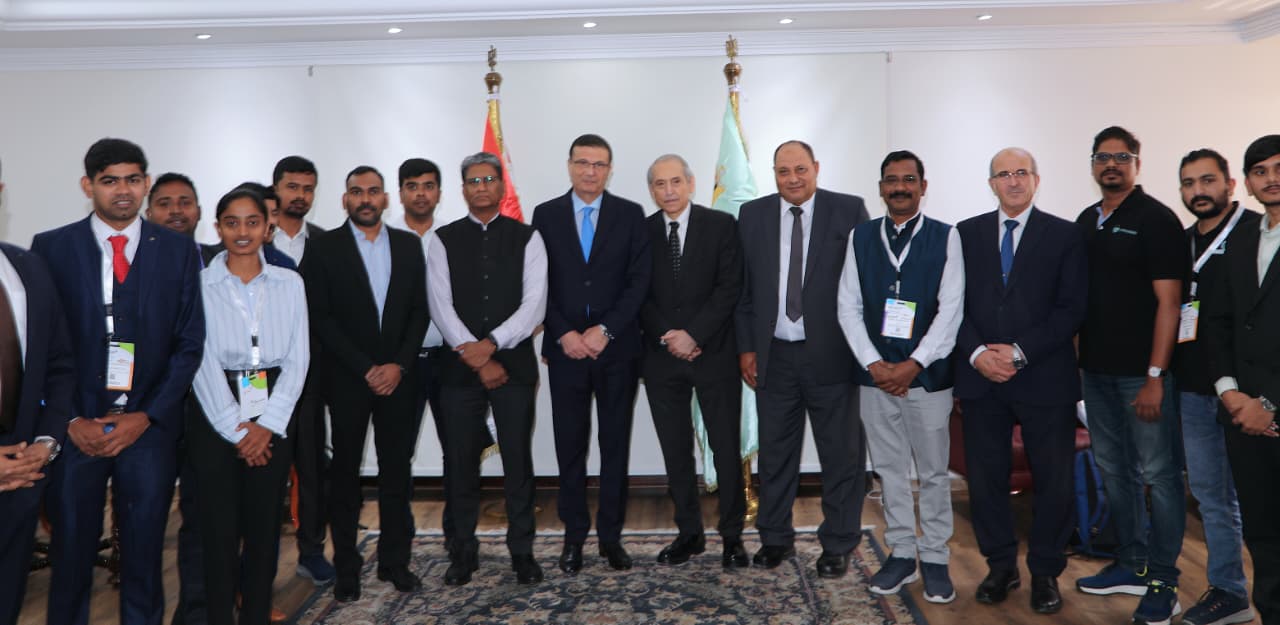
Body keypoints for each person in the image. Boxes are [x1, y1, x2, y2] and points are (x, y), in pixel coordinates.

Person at [33, 138, 205, 625]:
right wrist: (68, 419)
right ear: (88, 185)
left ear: (146, 184)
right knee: (70, 556)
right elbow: (41, 343)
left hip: (147, 430)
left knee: (144, 556)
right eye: (110, 181)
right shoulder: (52, 248)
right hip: (77, 430)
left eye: (132, 179)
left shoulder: (177, 249)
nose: (123, 190)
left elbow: (189, 343)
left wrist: (146, 415)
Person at [954, 148, 1087, 615]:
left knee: (1054, 481)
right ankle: (1000, 566)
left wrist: (1018, 352)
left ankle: (1046, 571)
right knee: (985, 480)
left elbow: (1072, 308)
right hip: (981, 379)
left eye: (1021, 173)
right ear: (991, 183)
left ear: (1036, 179)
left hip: (1044, 377)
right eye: (1003, 174)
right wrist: (977, 354)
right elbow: (951, 304)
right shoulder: (965, 234)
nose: (1013, 181)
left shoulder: (1065, 235)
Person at [736, 140, 870, 578]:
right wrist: (747, 348)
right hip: (773, 356)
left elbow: (864, 282)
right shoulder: (752, 215)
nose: (792, 179)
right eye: (783, 171)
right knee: (775, 455)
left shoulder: (848, 210)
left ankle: (839, 542)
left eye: (800, 169)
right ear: (773, 174)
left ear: (816, 167)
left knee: (841, 455)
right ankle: (775, 538)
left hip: (831, 355)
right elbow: (743, 289)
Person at [1073, 126, 1189, 625]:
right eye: (1103, 157)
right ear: (1092, 164)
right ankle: (1131, 563)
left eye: (1122, 157)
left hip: (1141, 378)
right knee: (1114, 470)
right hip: (1095, 375)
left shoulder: (1156, 220)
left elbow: (1170, 303)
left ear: (1137, 164)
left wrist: (1155, 375)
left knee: (1160, 476)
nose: (1111, 165)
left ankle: (1163, 580)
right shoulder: (1087, 221)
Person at [837, 150, 962, 600]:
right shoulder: (860, 237)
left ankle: (936, 557)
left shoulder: (946, 237)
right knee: (889, 470)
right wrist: (874, 364)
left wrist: (914, 364)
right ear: (881, 188)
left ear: (923, 186)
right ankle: (902, 554)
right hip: (875, 379)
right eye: (892, 180)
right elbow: (847, 305)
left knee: (933, 473)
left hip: (927, 378)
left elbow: (951, 310)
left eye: (909, 179)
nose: (900, 187)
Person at [301, 165, 428, 601]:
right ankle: (347, 568)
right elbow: (320, 316)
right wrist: (365, 368)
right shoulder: (323, 248)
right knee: (344, 475)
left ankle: (395, 562)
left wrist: (399, 366)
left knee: (397, 473)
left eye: (374, 191)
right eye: (357, 192)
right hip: (347, 380)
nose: (366, 199)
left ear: (386, 199)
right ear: (345, 199)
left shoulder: (408, 246)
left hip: (398, 380)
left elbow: (419, 311)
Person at [426, 152, 547, 586]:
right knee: (460, 464)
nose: (481, 187)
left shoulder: (528, 237)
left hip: (514, 369)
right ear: (463, 189)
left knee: (518, 462)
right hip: (459, 371)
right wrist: (476, 356)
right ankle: (462, 552)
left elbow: (534, 305)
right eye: (473, 181)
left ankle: (522, 552)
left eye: (489, 179)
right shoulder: (442, 240)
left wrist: (491, 345)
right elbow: (440, 305)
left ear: (501, 186)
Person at [189, 188, 310, 625]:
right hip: (214, 406)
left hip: (272, 403)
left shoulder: (289, 282)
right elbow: (199, 359)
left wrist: (268, 425)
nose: (243, 232)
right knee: (218, 530)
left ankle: (256, 613)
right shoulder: (199, 284)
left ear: (267, 227)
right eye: (232, 223)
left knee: (264, 528)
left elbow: (298, 358)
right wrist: (237, 428)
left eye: (252, 222)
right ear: (217, 228)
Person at [532, 133, 651, 574]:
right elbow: (537, 282)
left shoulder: (630, 214)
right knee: (570, 447)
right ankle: (573, 538)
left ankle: (610, 538)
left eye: (599, 164)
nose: (590, 171)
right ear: (569, 166)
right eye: (582, 163)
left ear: (610, 170)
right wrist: (563, 332)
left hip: (616, 350)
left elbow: (639, 282)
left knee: (614, 445)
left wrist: (605, 330)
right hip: (565, 351)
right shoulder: (545, 215)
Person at [638, 154, 747, 568]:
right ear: (652, 190)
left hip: (713, 354)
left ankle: (732, 536)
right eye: (659, 184)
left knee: (725, 447)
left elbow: (729, 287)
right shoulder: (642, 232)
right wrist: (669, 336)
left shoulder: (721, 225)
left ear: (691, 183)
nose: (668, 191)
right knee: (676, 450)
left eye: (675, 182)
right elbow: (636, 292)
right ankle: (689, 533)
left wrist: (694, 335)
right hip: (662, 358)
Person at [1172, 149, 1258, 625]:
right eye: (1189, 183)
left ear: (1230, 184)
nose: (1198, 191)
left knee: (1261, 497)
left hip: (1248, 394)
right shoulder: (1182, 242)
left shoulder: (1256, 233)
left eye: (1207, 180)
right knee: (1211, 498)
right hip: (1193, 388)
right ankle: (1230, 591)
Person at [1204, 134, 1280, 625]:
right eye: (1260, 171)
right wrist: (1229, 392)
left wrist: (1269, 404)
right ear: (1247, 184)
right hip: (1241, 413)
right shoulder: (1243, 240)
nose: (1271, 178)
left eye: (1279, 168)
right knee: (1263, 531)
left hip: (1270, 409)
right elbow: (1218, 321)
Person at [0, 156, 77, 625]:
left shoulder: (29, 267)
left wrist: (46, 444)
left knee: (8, 596)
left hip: (25, 471)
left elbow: (60, 366)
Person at [386, 157, 463, 554]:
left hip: (447, 359)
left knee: (457, 451)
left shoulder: (452, 238)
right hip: (401, 363)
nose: (421, 193)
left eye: (428, 185)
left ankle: (457, 536)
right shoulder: (384, 240)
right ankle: (400, 536)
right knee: (398, 453)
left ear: (439, 193)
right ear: (400, 193)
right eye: (412, 186)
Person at [270, 156, 335, 586]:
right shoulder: (253, 238)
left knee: (312, 468)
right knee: (265, 473)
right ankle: (256, 562)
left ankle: (312, 551)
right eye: (292, 187)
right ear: (276, 188)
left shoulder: (327, 243)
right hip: (260, 380)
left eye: (308, 189)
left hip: (311, 378)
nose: (300, 196)